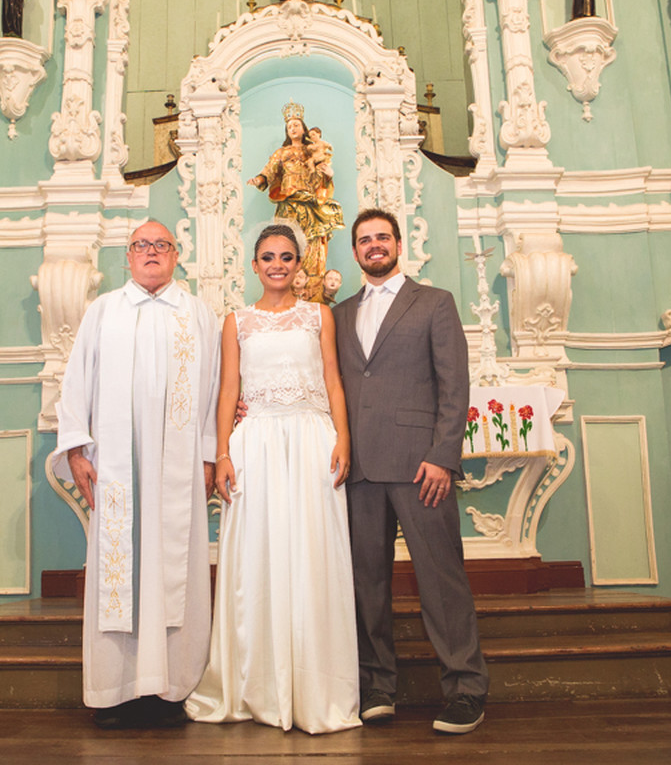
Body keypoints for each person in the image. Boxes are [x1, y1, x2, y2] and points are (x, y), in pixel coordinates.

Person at [185, 222, 360, 734]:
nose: (278, 264)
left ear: (298, 263)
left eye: (286, 256)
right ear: (255, 265)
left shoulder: (319, 316)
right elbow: (226, 391)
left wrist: (342, 438)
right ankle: (254, 682)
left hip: (311, 441)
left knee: (312, 552)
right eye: (268, 257)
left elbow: (333, 378)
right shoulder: (236, 321)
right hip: (255, 443)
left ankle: (315, 685)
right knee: (257, 556)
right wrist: (221, 454)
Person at [52, 220, 220, 727]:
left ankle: (170, 690)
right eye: (142, 246)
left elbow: (213, 389)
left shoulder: (198, 314)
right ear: (128, 257)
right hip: (116, 466)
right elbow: (76, 380)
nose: (152, 253)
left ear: (175, 256)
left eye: (161, 246)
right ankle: (114, 691)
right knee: (118, 571)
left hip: (180, 465)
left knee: (176, 567)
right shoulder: (103, 311)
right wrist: (78, 450)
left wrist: (209, 456)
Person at [332, 208, 489, 735]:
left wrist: (444, 455)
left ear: (398, 244)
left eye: (382, 237)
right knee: (367, 583)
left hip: (422, 466)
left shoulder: (434, 302)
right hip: (358, 471)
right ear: (354, 252)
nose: (374, 246)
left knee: (441, 580)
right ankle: (378, 686)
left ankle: (465, 688)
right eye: (364, 240)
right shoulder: (338, 313)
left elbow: (454, 385)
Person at [248, 103, 344, 302]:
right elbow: (269, 170)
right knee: (287, 247)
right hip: (289, 206)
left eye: (297, 125)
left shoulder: (313, 152)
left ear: (304, 128)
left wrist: (329, 175)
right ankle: (288, 293)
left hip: (310, 207)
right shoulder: (281, 153)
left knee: (313, 247)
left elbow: (322, 175)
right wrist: (259, 179)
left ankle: (315, 295)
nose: (293, 128)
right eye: (289, 126)